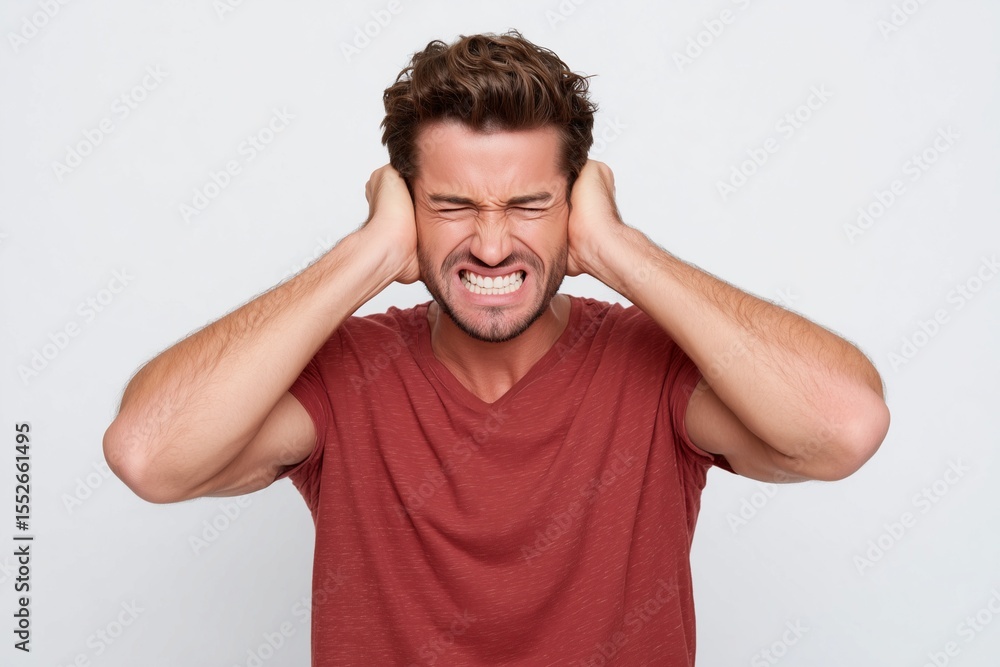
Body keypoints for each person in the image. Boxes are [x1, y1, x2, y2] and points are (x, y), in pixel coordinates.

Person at [103, 30, 890, 666]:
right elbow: (148, 452)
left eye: (527, 204)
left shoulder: (657, 370)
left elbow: (844, 427)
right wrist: (367, 255)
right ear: (409, 207)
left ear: (573, 206)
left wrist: (620, 250)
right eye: (450, 205)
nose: (488, 243)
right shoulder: (349, 376)